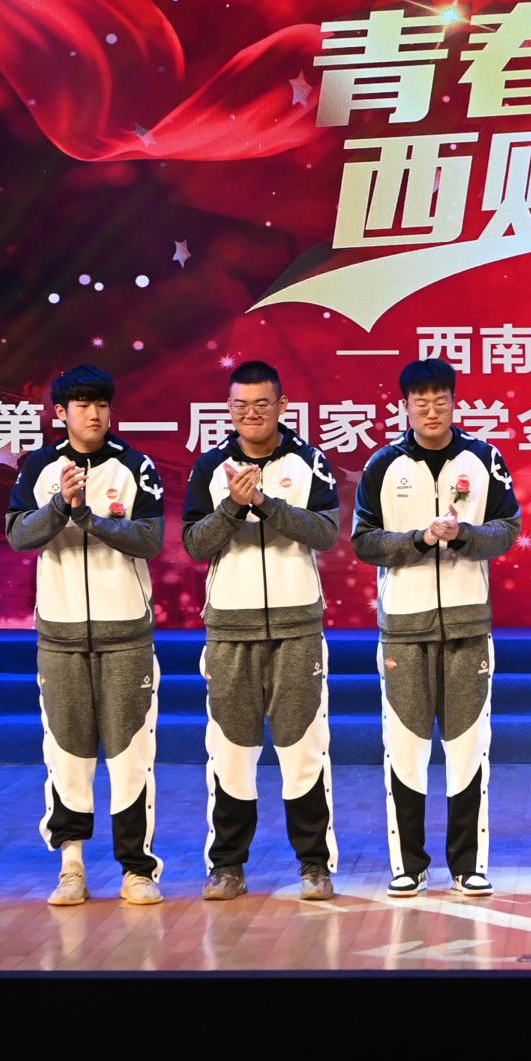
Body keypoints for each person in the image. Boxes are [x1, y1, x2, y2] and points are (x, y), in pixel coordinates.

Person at [352, 358, 521, 897]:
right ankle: (409, 864)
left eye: (440, 400)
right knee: (405, 749)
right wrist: (419, 540)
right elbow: (363, 541)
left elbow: (509, 528)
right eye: (420, 402)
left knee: (468, 749)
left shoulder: (483, 458)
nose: (431, 411)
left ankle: (468, 864)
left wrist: (465, 534)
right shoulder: (383, 464)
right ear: (404, 406)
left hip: (469, 627)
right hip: (403, 630)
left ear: (454, 402)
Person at [6, 364, 167, 906]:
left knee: (130, 756)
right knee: (67, 754)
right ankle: (71, 865)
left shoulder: (136, 466)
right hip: (61, 636)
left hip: (126, 634)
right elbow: (19, 536)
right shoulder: (39, 466)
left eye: (101, 404)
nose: (94, 414)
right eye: (82, 405)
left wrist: (90, 517)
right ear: (61, 413)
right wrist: (59, 505)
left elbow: (151, 539)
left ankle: (137, 869)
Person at [183, 361, 342, 902]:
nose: (250, 414)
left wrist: (265, 504)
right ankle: (228, 865)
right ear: (228, 409)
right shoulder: (211, 467)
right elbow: (195, 544)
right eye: (240, 405)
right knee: (231, 752)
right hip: (230, 629)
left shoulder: (309, 461)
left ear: (282, 406)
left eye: (261, 404)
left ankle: (314, 865)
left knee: (303, 750)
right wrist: (233, 504)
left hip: (298, 627)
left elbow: (326, 532)